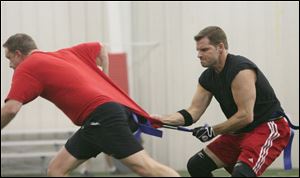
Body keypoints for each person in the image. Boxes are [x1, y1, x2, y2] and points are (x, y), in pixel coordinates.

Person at [1, 33, 180, 177]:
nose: (10, 65)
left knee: (146, 168)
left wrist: (106, 88)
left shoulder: (28, 66)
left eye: (9, 58)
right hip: (96, 120)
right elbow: (101, 47)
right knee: (56, 170)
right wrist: (106, 82)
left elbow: (11, 109)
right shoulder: (64, 54)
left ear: (18, 53)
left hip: (102, 116)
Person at [152, 26, 291, 177]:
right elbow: (192, 113)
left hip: (268, 127)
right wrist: (161, 119)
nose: (199, 55)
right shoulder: (207, 78)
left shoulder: (240, 70)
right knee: (196, 166)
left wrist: (213, 131)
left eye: (204, 50)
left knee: (241, 174)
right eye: (198, 50)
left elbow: (245, 116)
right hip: (239, 132)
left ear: (220, 47)